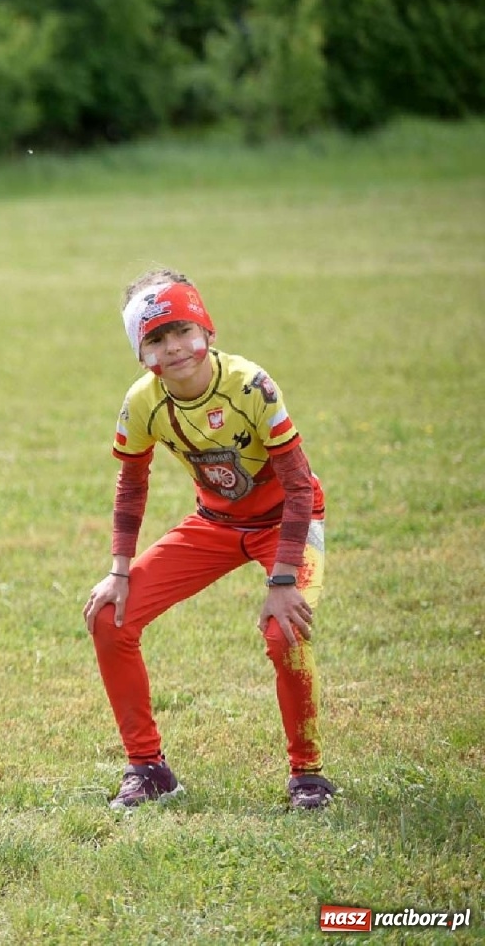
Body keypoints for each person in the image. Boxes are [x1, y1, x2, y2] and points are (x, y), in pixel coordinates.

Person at [82, 268, 336, 811]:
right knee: (111, 616)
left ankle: (307, 775)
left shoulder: (250, 385)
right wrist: (119, 568)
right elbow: (132, 482)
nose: (174, 348)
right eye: (155, 339)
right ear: (140, 351)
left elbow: (297, 486)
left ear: (206, 329)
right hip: (216, 525)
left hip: (289, 521)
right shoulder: (142, 402)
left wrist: (285, 578)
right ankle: (148, 769)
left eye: (181, 330)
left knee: (283, 631)